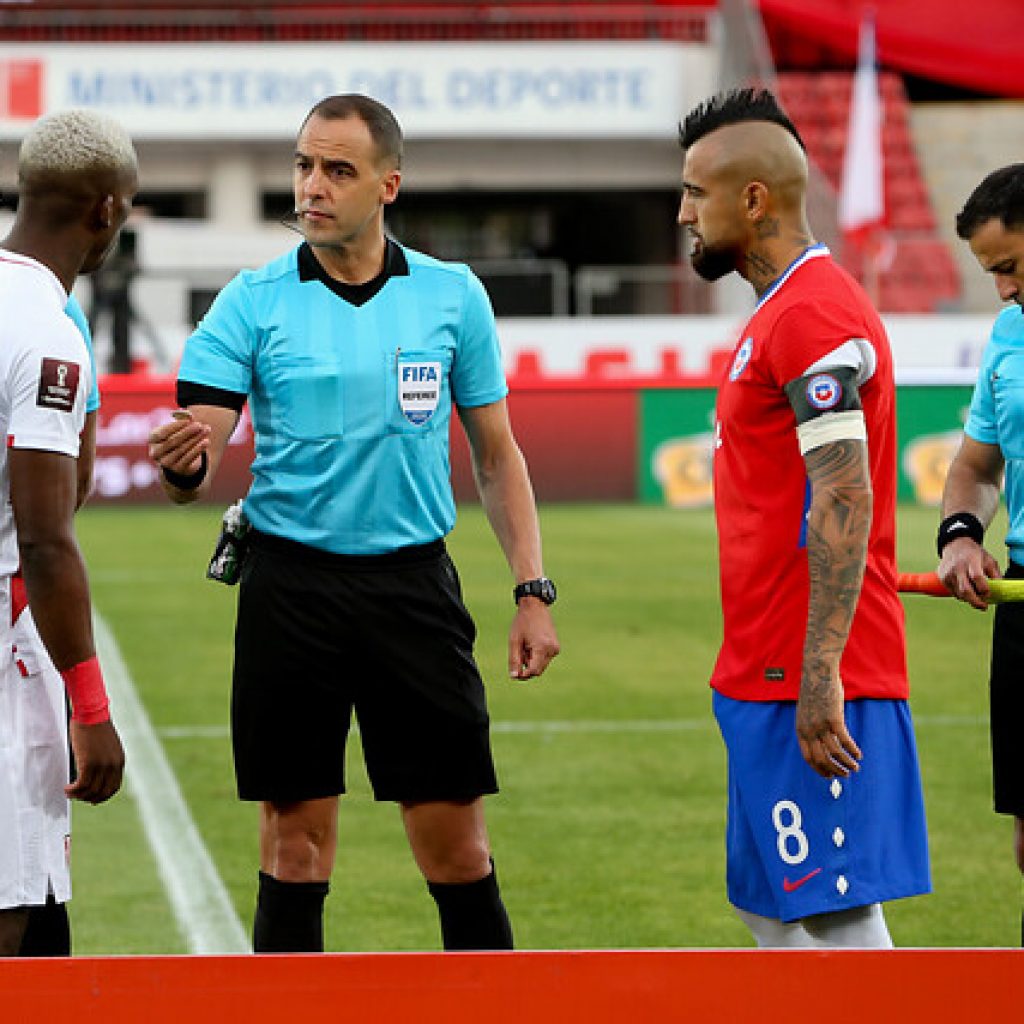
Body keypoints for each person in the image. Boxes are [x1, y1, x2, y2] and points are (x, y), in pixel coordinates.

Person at [147, 94, 559, 954]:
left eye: (338, 169)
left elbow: (497, 457)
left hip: (413, 590)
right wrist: (184, 462)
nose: (313, 186)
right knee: (293, 848)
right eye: (304, 165)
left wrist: (532, 589)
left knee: (457, 847)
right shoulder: (250, 301)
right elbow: (198, 454)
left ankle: (492, 1012)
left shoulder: (452, 295)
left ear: (387, 185)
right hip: (289, 592)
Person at [677, 88, 930, 948]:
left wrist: (822, 672)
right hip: (764, 665)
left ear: (753, 199)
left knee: (834, 915)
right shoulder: (781, 310)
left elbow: (845, 493)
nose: (683, 212)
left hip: (815, 670)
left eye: (696, 192)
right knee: (770, 908)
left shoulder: (813, 313)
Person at [0, 109, 135, 956]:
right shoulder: (48, 333)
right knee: (12, 904)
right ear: (106, 210)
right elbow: (46, 537)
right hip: (6, 652)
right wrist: (91, 706)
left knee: (42, 923)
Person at [937, 163, 1024, 944]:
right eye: (992, 271)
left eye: (1012, 266)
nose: (1002, 289)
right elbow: (975, 468)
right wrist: (961, 533)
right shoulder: (1008, 336)